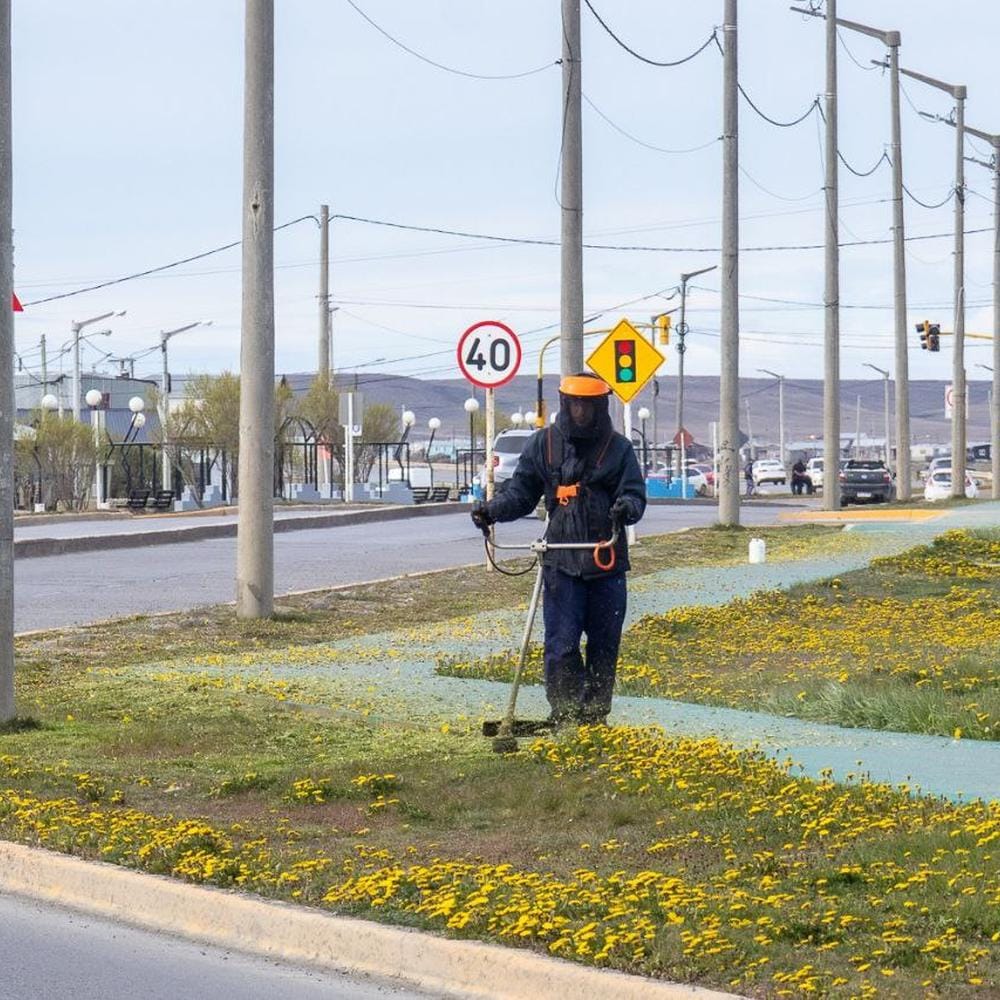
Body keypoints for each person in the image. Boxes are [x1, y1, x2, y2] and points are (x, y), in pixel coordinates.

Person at [471, 373, 646, 727]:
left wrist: (625, 508)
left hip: (606, 561)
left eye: (588, 404)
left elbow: (635, 494)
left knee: (603, 646)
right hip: (561, 562)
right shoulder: (544, 445)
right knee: (561, 644)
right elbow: (521, 493)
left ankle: (594, 715)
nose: (581, 411)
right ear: (565, 403)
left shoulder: (618, 449)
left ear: (601, 405)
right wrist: (492, 511)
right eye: (575, 403)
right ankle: (565, 713)